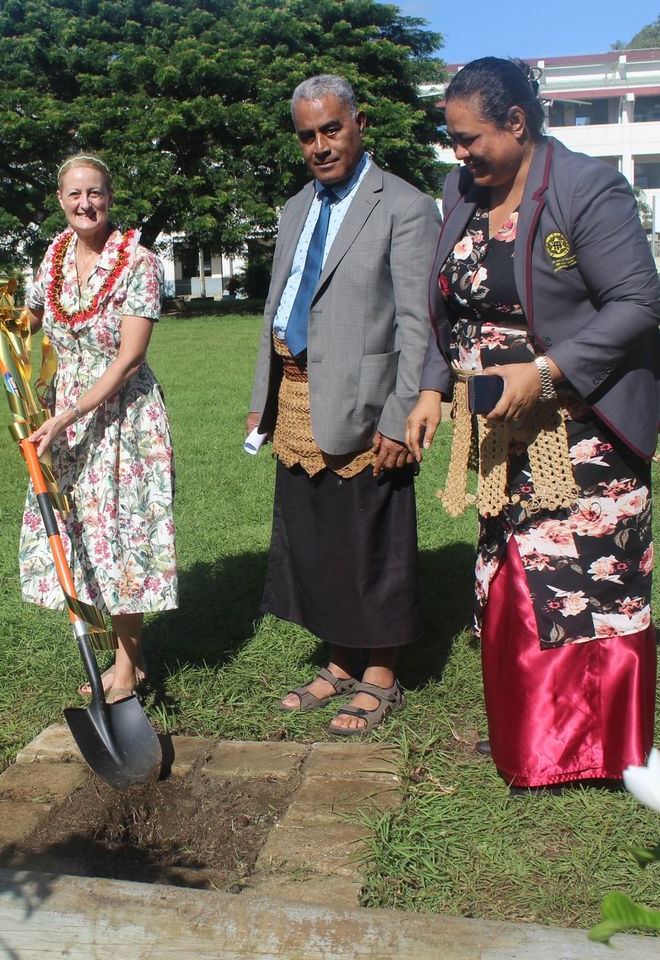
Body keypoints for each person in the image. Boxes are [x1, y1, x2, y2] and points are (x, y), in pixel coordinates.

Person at [406, 58, 660, 793]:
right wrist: (431, 387)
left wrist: (542, 372)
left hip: (582, 423)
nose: (459, 154)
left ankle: (595, 753)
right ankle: (529, 742)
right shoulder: (461, 191)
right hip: (500, 425)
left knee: (588, 584)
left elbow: (636, 303)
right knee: (512, 573)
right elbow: (449, 307)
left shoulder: (584, 187)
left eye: (470, 138)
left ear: (517, 122)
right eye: (452, 140)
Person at [249, 75, 439, 735]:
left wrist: (399, 415)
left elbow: (418, 323)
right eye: (308, 135)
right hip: (299, 394)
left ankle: (380, 673)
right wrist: (262, 399)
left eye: (332, 129)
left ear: (359, 124)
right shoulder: (297, 206)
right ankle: (338, 662)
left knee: (372, 538)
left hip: (370, 404)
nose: (321, 145)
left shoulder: (407, 206)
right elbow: (279, 304)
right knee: (320, 536)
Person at [21, 154, 177, 703]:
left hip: (123, 419)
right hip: (65, 411)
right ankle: (124, 654)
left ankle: (128, 666)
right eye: (73, 195)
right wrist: (2, 323)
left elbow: (129, 358)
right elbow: (34, 314)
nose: (85, 204)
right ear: (60, 200)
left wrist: (68, 414)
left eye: (95, 194)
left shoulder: (140, 262)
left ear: (110, 197)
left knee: (124, 536)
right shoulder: (54, 255)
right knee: (85, 533)